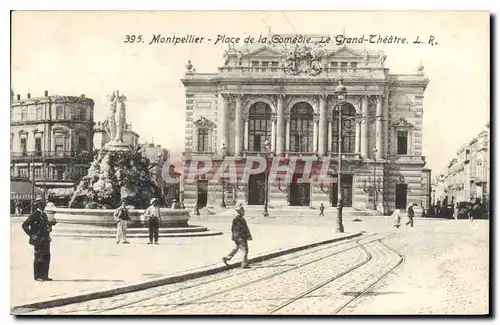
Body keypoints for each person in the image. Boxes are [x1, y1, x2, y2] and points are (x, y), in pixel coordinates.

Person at [22, 198, 56, 281]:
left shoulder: (44, 215)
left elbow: (45, 226)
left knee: (46, 257)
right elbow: (24, 225)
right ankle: (37, 276)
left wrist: (50, 225)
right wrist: (32, 235)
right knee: (38, 257)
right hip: (38, 239)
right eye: (42, 204)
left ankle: (44, 275)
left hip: (45, 239)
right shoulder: (35, 215)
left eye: (44, 204)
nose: (44, 206)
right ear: (38, 205)